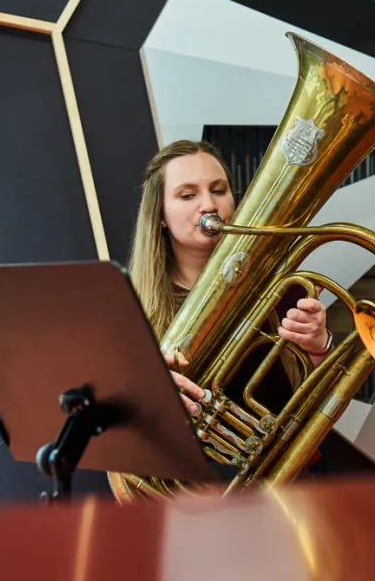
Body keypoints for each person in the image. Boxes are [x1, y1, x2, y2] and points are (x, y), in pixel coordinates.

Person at [127, 139, 332, 416]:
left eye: (219, 190)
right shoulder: (129, 309)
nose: (209, 205)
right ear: (160, 215)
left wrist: (318, 346)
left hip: (290, 458)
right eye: (188, 195)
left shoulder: (282, 287)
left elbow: (323, 404)